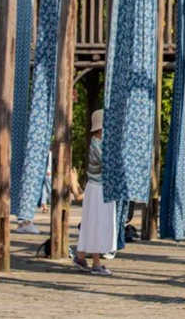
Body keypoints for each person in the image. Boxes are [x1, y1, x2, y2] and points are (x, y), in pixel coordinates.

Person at [72, 109, 117, 275]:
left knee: (92, 223)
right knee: (98, 223)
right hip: (99, 189)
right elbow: (108, 165)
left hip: (97, 187)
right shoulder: (98, 145)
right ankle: (96, 263)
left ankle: (81, 256)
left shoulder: (97, 143)